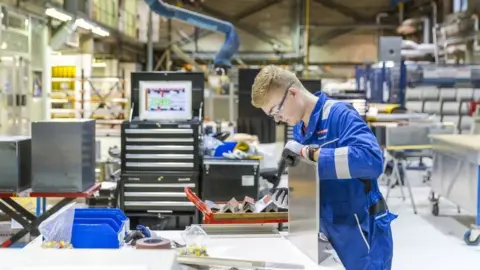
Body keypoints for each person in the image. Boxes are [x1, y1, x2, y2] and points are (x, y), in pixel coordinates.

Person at [251, 65, 397, 270]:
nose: (277, 119)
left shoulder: (339, 115)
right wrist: (292, 187)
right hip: (326, 229)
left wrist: (313, 154)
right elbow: (312, 172)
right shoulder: (300, 127)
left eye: (276, 109)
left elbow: (372, 160)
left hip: (360, 230)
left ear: (292, 93)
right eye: (271, 115)